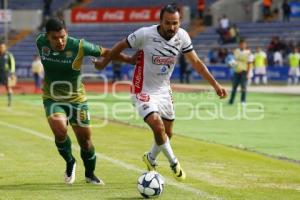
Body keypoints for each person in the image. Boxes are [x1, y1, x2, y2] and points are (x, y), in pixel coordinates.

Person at [93, 4, 227, 181]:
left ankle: (150, 158)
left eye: (175, 23)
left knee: (167, 134)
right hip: (142, 89)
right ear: (160, 21)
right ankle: (174, 162)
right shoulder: (145, 34)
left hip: (164, 90)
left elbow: (196, 63)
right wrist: (104, 63)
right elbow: (119, 46)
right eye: (168, 23)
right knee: (157, 126)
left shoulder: (182, 37)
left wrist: (215, 85)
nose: (171, 27)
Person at [35, 18, 135, 185]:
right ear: (47, 37)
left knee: (86, 142)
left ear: (67, 33)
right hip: (52, 97)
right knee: (59, 130)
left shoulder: (79, 46)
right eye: (55, 38)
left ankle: (90, 174)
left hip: (77, 100)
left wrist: (129, 60)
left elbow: (106, 52)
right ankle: (70, 162)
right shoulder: (40, 42)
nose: (60, 41)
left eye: (63, 37)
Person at [229, 39, 253, 105]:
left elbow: (249, 64)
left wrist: (248, 73)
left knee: (243, 87)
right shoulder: (236, 51)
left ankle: (243, 101)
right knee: (234, 87)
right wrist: (231, 65)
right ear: (239, 44)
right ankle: (231, 101)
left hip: (244, 72)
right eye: (241, 44)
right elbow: (234, 61)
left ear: (245, 45)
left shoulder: (249, 53)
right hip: (236, 71)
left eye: (243, 44)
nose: (242, 45)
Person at [0, 41, 16, 107]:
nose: (1, 48)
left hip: (6, 73)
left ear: (5, 47)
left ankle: (10, 102)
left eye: (2, 47)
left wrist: (12, 73)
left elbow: (12, 64)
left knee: (8, 87)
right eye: (0, 47)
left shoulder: (9, 55)